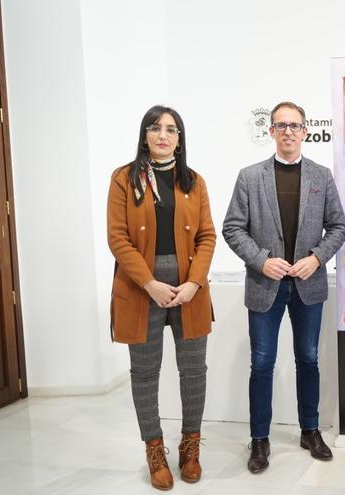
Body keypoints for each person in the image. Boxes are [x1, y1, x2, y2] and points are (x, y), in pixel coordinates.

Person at [222, 101, 345, 473]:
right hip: (265, 285)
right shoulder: (249, 177)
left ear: (306, 131)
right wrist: (261, 259)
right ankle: (259, 439)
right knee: (262, 363)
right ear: (272, 131)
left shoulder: (321, 176)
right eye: (281, 125)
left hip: (307, 284)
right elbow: (233, 227)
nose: (288, 131)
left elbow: (338, 226)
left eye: (295, 125)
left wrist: (316, 257)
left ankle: (310, 430)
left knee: (308, 359)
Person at [107, 105, 216, 490]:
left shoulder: (194, 181)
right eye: (155, 128)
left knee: (193, 371)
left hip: (188, 288)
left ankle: (190, 445)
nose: (163, 135)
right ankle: (154, 450)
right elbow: (118, 238)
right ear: (145, 135)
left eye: (171, 129)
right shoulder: (124, 179)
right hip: (141, 287)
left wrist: (194, 283)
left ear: (179, 138)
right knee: (144, 372)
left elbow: (207, 237)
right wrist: (149, 282)